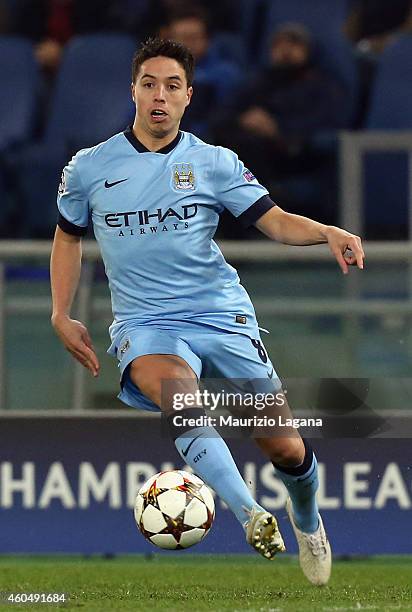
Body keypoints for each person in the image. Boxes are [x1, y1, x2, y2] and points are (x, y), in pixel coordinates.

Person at [50, 38, 364, 585]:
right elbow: (67, 237)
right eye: (150, 83)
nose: (160, 95)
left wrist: (327, 232)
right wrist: (61, 311)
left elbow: (274, 220)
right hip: (146, 323)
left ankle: (306, 518)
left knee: (286, 448)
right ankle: (251, 514)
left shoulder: (213, 162)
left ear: (188, 97)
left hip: (220, 316)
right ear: (133, 91)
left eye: (173, 86)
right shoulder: (89, 168)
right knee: (179, 397)